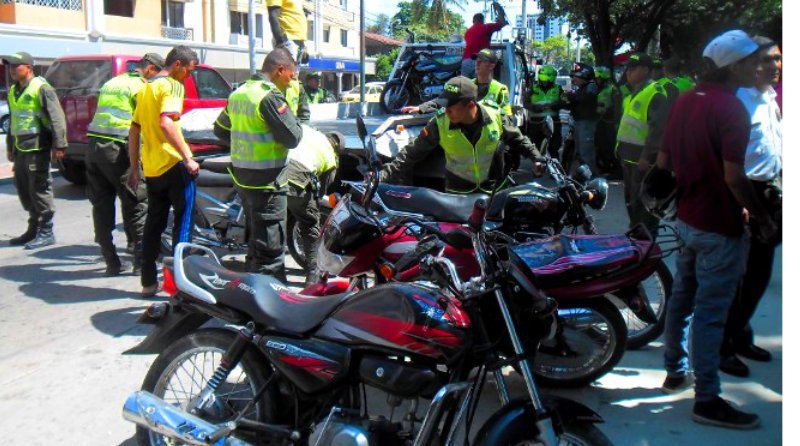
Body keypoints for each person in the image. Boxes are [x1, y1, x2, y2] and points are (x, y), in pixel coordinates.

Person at [658, 30, 778, 430]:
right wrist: (760, 215)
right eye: (752, 61)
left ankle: (674, 369)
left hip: (687, 218)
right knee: (710, 313)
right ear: (734, 66)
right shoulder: (730, 109)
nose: (759, 67)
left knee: (682, 298)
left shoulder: (686, 99)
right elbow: (734, 177)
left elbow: (665, 159)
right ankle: (707, 398)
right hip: (718, 225)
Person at [719, 36, 782, 378]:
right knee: (740, 278)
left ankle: (740, 335)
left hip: (770, 192)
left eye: (777, 59)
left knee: (758, 276)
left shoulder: (769, 99)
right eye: (767, 60)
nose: (775, 66)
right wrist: (750, 207)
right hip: (745, 195)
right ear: (745, 65)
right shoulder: (738, 103)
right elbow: (729, 164)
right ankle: (722, 345)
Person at [213, 48, 304, 282]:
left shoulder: (240, 93)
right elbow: (293, 137)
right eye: (290, 74)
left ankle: (251, 290)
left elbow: (220, 130)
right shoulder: (269, 97)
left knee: (256, 241)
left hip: (243, 179)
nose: (292, 79)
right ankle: (269, 304)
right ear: (280, 69)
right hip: (268, 183)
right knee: (271, 250)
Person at [381, 76, 541, 194]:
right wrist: (383, 175)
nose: (446, 110)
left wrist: (537, 158)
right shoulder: (439, 123)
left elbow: (519, 140)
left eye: (451, 106)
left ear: (470, 105)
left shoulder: (496, 116)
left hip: (494, 192)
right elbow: (411, 153)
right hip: (457, 195)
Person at [127, 45, 200, 297]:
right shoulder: (171, 85)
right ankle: (180, 285)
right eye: (188, 71)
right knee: (183, 224)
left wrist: (134, 168)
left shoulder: (146, 88)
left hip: (152, 168)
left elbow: (134, 130)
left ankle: (148, 282)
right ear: (177, 64)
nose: (188, 78)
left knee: (153, 225)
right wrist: (188, 158)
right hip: (173, 165)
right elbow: (166, 122)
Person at [85, 53, 163, 276]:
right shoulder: (141, 87)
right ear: (149, 69)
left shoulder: (112, 82)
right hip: (119, 150)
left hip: (93, 148)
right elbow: (142, 127)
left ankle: (111, 262)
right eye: (156, 75)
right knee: (137, 204)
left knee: (100, 206)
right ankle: (141, 263)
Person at [3, 51, 67, 250]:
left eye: (16, 66)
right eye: (10, 66)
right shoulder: (14, 90)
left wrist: (60, 144)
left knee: (39, 188)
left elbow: (57, 118)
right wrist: (10, 147)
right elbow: (15, 120)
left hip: (37, 146)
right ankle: (33, 228)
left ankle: (46, 231)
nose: (12, 70)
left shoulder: (41, 88)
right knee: (24, 188)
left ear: (28, 68)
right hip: (20, 147)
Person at [616, 53, 669, 237]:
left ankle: (645, 244)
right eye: (627, 68)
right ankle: (636, 235)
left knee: (645, 207)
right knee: (632, 203)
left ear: (646, 70)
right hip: (629, 159)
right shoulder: (631, 94)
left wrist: (646, 156)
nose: (628, 72)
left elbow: (658, 130)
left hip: (642, 162)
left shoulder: (655, 93)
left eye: (633, 68)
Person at [285, 127, 343, 285]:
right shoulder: (331, 156)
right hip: (295, 180)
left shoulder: (308, 131)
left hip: (272, 172)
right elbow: (321, 191)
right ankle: (313, 275)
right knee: (309, 223)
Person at [403, 49, 511, 116]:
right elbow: (443, 100)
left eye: (482, 61)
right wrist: (421, 108)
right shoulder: (465, 85)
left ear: (492, 65)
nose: (477, 63)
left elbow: (507, 117)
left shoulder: (500, 89)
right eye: (476, 60)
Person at [563, 62, 599, 174]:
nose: (574, 79)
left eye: (576, 76)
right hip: (580, 122)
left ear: (584, 76)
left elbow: (586, 98)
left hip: (586, 123)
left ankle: (590, 176)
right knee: (579, 151)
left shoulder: (591, 86)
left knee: (585, 152)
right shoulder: (582, 88)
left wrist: (572, 96)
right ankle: (584, 175)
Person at [524, 65, 564, 160]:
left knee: (554, 147)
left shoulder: (558, 89)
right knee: (536, 147)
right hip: (535, 122)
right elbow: (525, 103)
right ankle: (537, 167)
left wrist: (555, 105)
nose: (545, 83)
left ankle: (555, 169)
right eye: (544, 81)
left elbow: (564, 102)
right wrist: (536, 107)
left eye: (548, 82)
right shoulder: (533, 88)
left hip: (554, 122)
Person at [594, 65, 622, 176]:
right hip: (601, 121)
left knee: (611, 147)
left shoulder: (613, 89)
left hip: (610, 123)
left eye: (599, 79)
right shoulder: (598, 89)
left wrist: (612, 116)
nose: (597, 80)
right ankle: (605, 168)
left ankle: (616, 170)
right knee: (601, 145)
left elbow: (617, 107)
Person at [461, 11, 506, 78]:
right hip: (480, 62)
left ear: (473, 21)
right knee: (481, 85)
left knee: (466, 86)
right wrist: (499, 10)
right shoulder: (486, 28)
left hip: (466, 62)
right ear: (482, 20)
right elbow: (502, 23)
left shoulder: (468, 32)